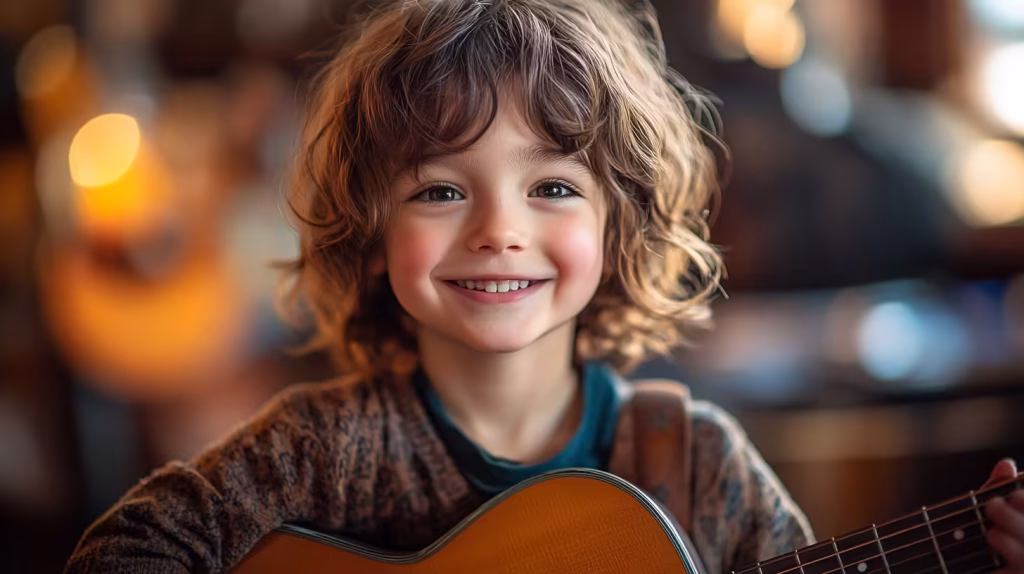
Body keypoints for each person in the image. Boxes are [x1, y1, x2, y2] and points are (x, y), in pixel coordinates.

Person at [65, 0, 1024, 572]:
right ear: (371, 229)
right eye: (440, 189)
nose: (497, 230)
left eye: (553, 186)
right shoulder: (325, 451)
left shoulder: (696, 465)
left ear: (621, 220)